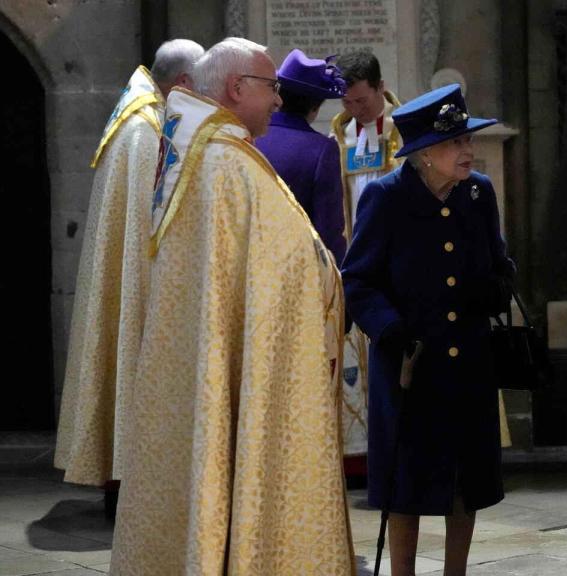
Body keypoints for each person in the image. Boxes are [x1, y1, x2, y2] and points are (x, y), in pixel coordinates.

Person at [109, 37, 355, 575]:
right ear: (237, 88)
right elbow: (282, 265)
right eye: (270, 87)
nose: (276, 99)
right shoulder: (225, 164)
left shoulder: (203, 153)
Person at [342, 83, 514, 576]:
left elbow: (498, 261)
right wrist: (390, 331)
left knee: (467, 478)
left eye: (467, 141)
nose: (467, 150)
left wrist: (498, 285)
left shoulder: (479, 193)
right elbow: (359, 280)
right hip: (411, 364)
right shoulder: (386, 197)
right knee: (407, 485)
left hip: (469, 361)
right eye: (455, 143)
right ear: (422, 154)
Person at [54, 39, 203, 497]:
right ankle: (131, 485)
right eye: (200, 85)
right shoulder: (143, 130)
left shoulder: (140, 114)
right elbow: (147, 227)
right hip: (137, 282)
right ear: (182, 83)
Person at [330, 51, 404, 483]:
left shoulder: (402, 128)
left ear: (379, 88)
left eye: (361, 100)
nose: (354, 109)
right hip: (357, 261)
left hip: (395, 262)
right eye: (347, 103)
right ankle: (362, 458)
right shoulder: (340, 135)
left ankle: (398, 452)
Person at [255, 48, 347, 264]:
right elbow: (328, 233)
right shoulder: (322, 149)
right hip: (297, 269)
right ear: (315, 108)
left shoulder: (249, 136)